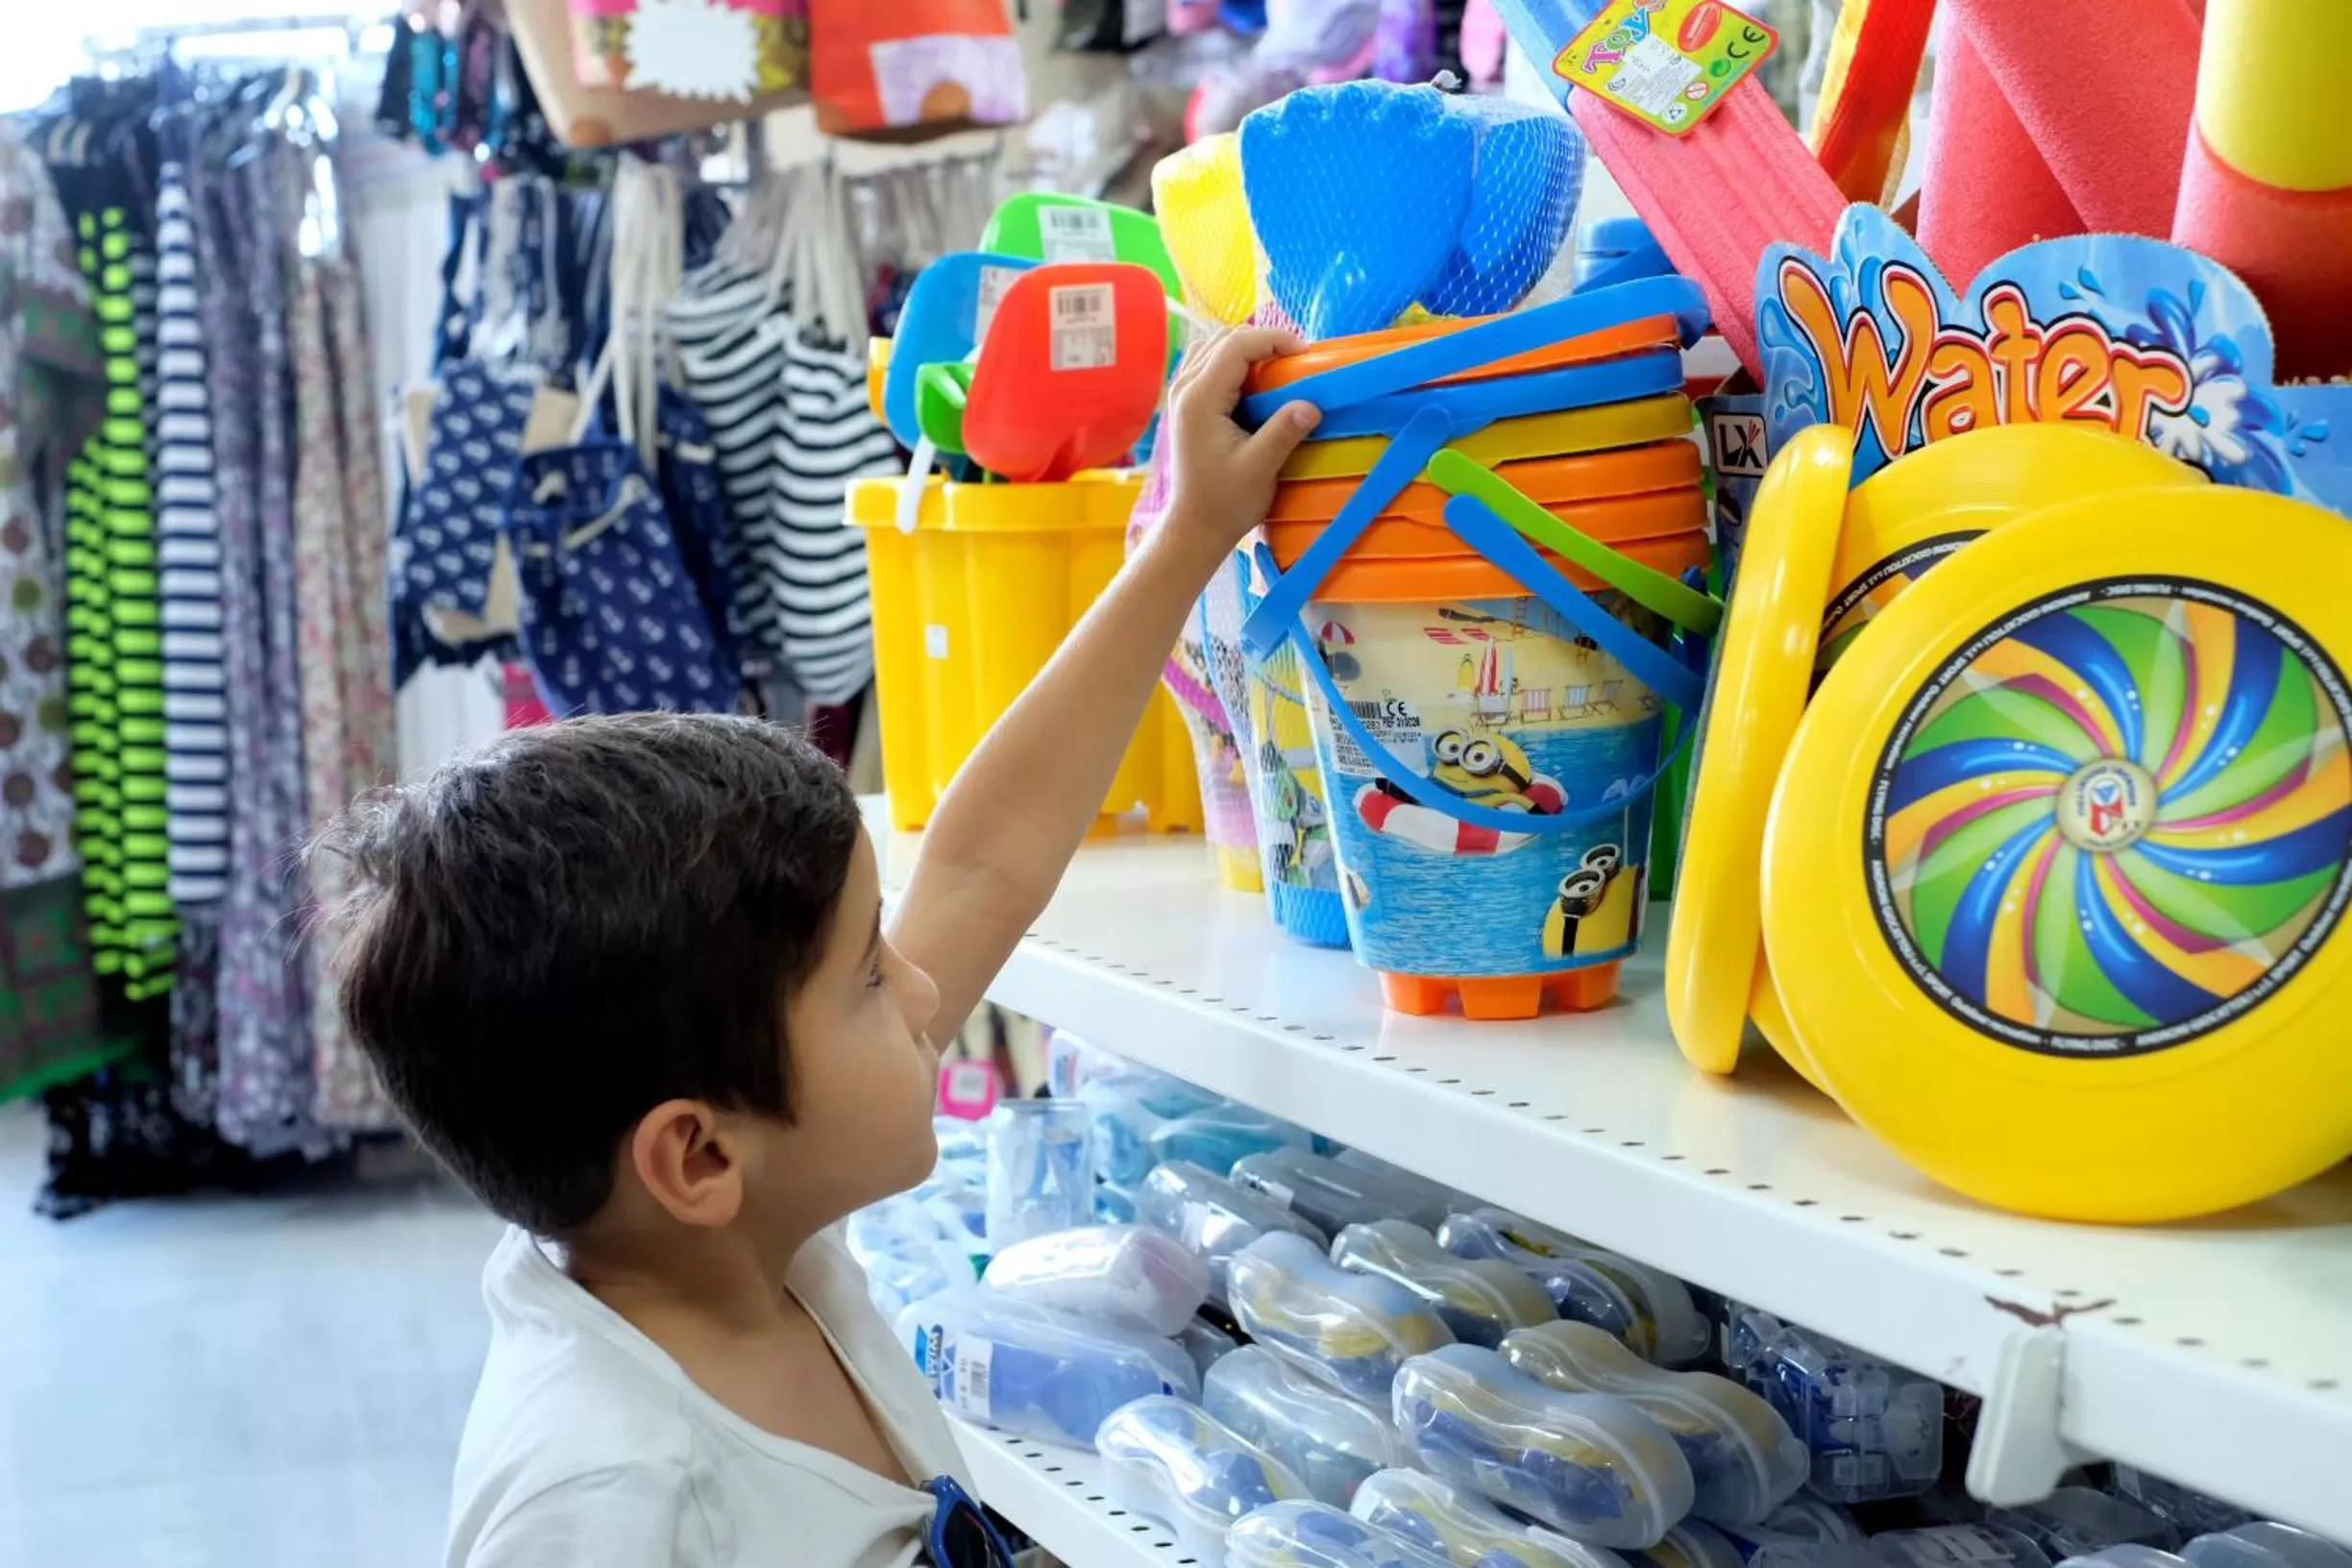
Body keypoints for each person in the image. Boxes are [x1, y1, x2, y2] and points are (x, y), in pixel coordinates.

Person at [317, 329, 1321, 1568]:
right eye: (865, 979)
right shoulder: (602, 1501)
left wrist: (1186, 540)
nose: (923, 985)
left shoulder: (735, 1241)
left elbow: (982, 865)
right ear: (695, 1152)